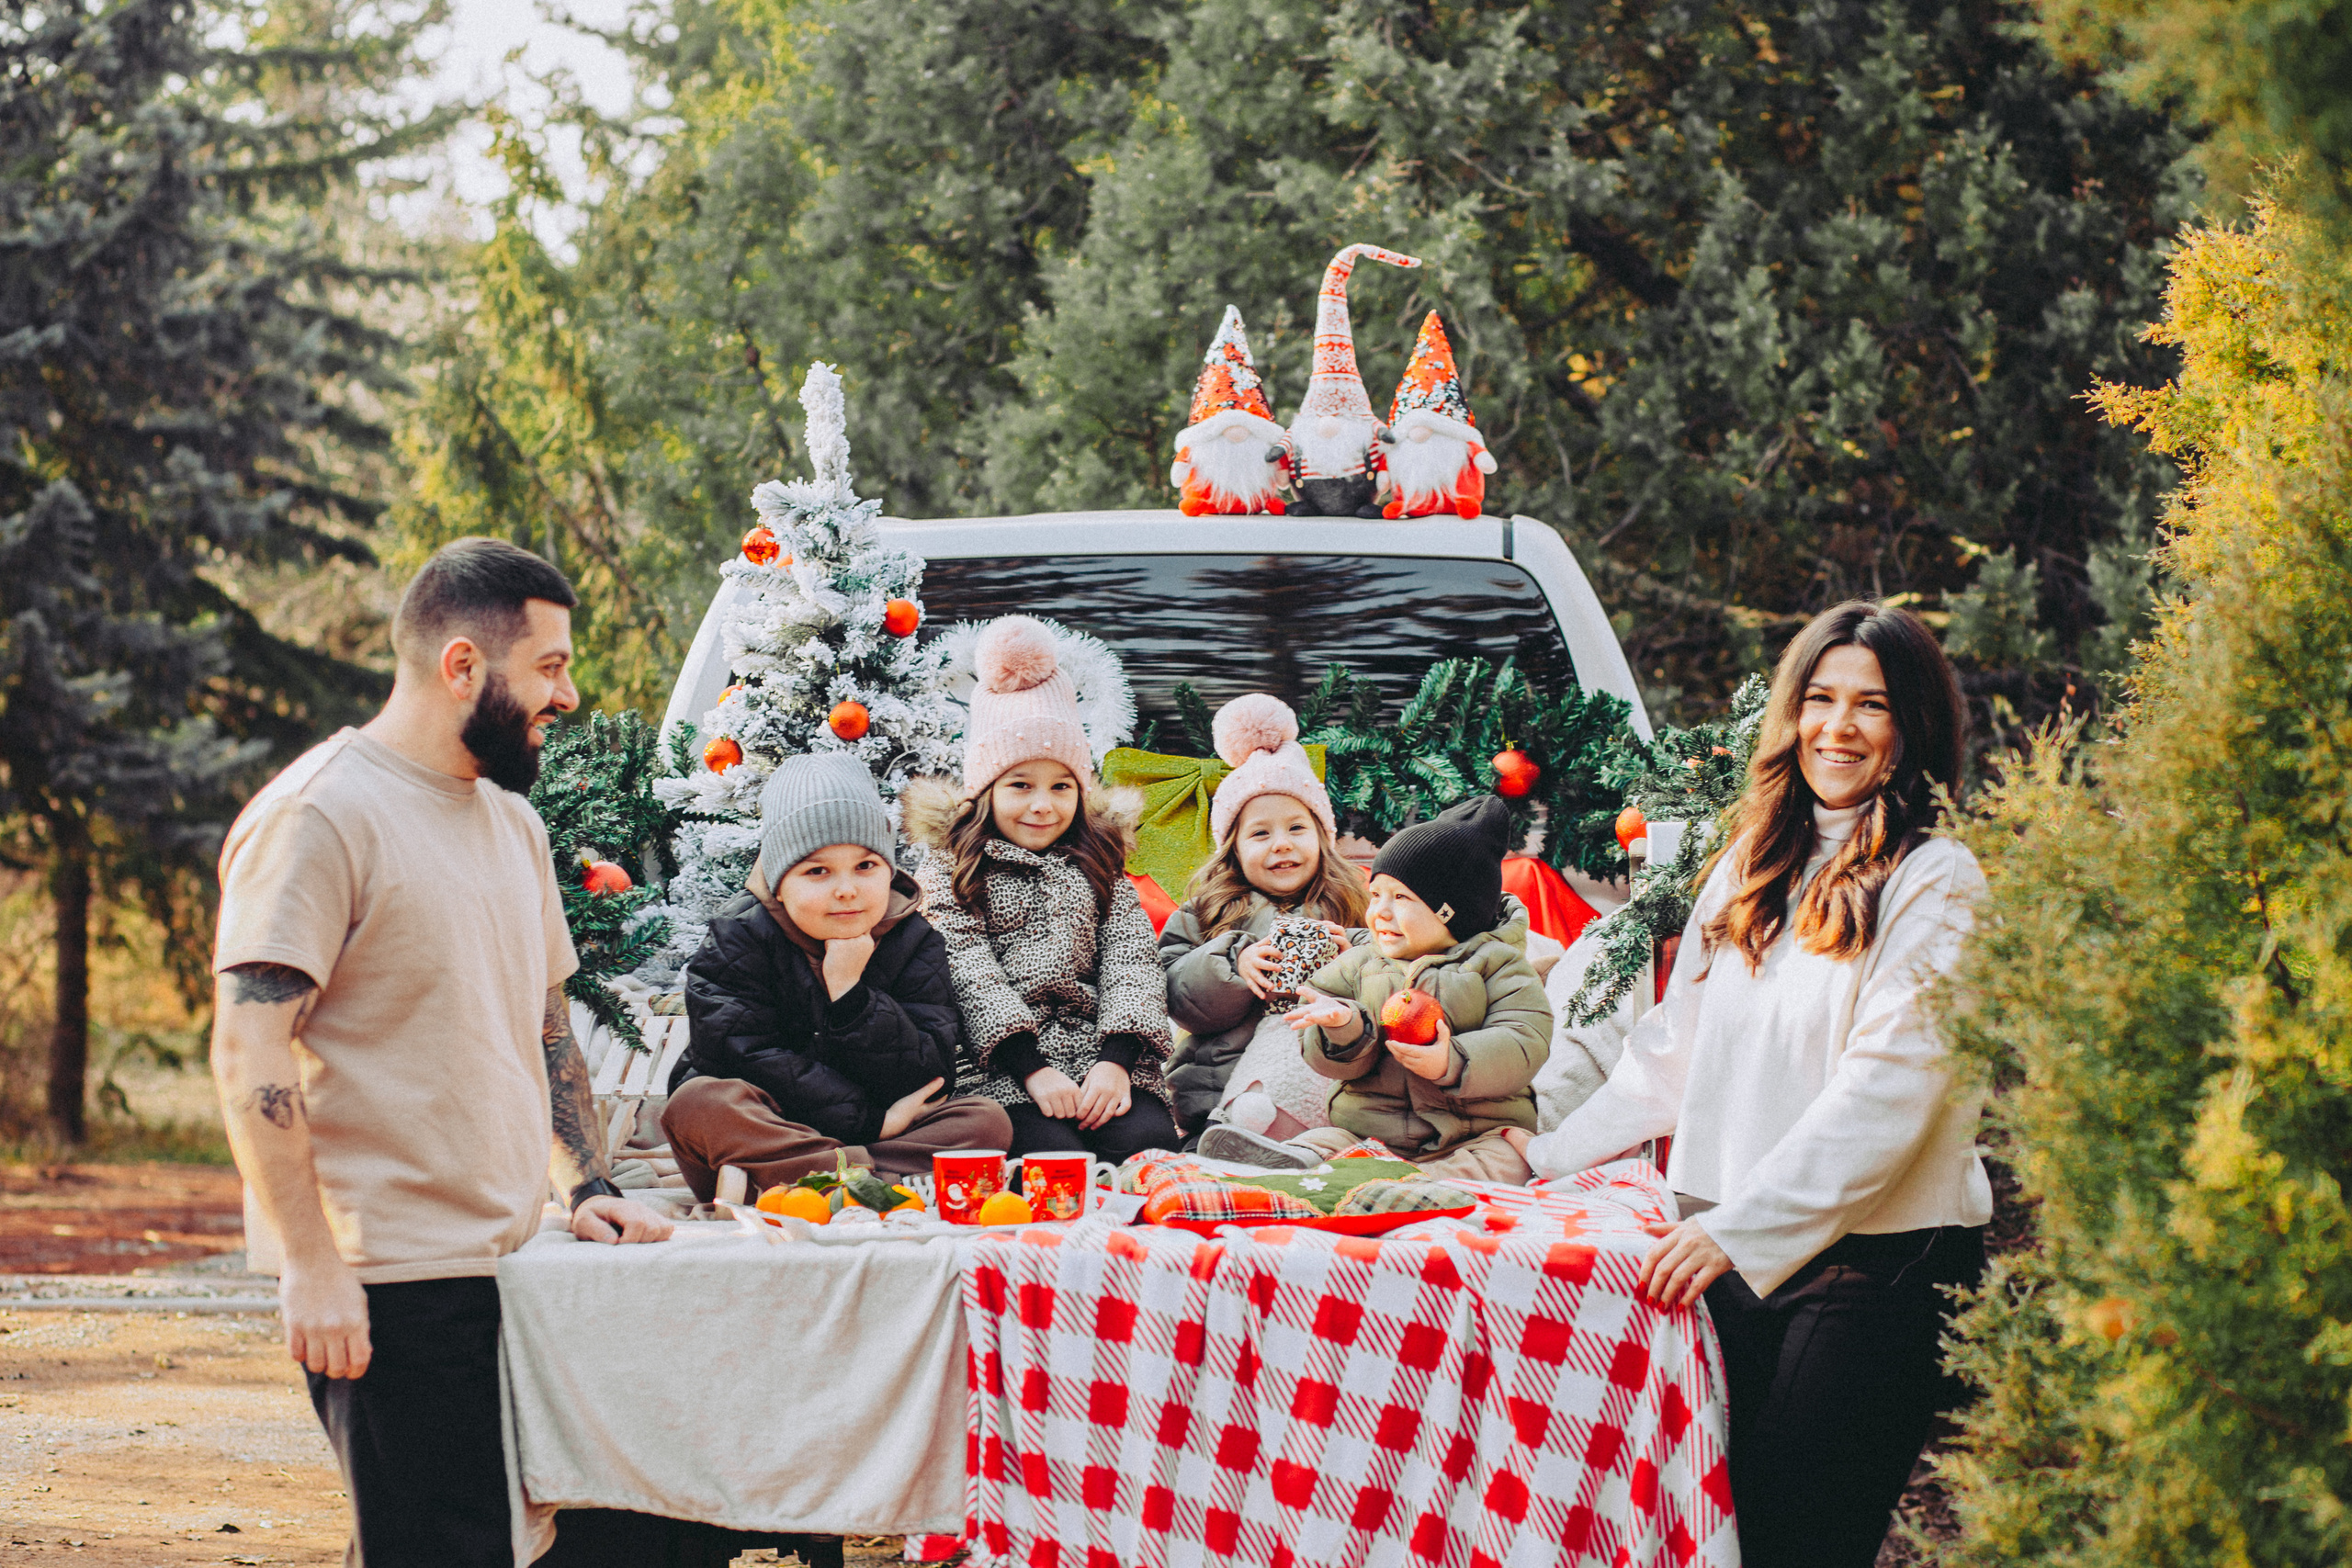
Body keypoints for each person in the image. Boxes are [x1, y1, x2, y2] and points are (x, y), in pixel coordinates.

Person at [209, 537, 673, 1568]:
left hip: (512, 1266)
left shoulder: (511, 822)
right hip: (392, 1280)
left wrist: (585, 1180)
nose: (569, 692)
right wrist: (312, 1266)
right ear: (462, 665)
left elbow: (543, 1015)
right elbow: (249, 1049)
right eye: (548, 666)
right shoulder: (320, 814)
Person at [1510, 601, 1990, 1568]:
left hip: (1871, 1268)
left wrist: (1738, 1231)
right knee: (1710, 1537)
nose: (1838, 727)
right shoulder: (1751, 862)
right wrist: (1539, 1159)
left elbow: (1889, 1093)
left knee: (1793, 1544)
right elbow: (1672, 1051)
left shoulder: (1937, 880)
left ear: (1913, 728)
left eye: (1871, 705)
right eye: (1818, 699)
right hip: (1727, 1250)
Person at [661, 752, 1013, 1197]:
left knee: (984, 1120)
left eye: (865, 866)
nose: (846, 889)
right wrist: (868, 1122)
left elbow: (929, 1071)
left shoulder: (914, 940)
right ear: (778, 882)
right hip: (775, 1130)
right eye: (817, 871)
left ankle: (826, 1184)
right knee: (698, 1104)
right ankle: (867, 1181)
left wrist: (851, 996)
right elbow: (740, 1055)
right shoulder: (738, 937)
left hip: (866, 1133)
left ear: (888, 868)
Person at [902, 615, 1180, 1165]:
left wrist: (1117, 1061)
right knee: (1051, 1160)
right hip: (999, 1062)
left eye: (1061, 787)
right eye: (1020, 786)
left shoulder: (1100, 863)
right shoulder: (954, 868)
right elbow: (966, 969)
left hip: (1099, 1052)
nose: (1042, 805)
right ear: (986, 791)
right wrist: (1030, 1067)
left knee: (1145, 1147)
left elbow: (1132, 962)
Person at [1206, 795, 1550, 1184]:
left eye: (1401, 897)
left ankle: (1429, 1183)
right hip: (1370, 1132)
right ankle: (1296, 1161)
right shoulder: (1358, 963)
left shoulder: (1499, 966)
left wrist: (1450, 1060)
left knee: (1510, 1153)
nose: (1379, 912)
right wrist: (1343, 1028)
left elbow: (1525, 1040)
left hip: (1472, 1131)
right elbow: (1328, 1047)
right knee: (1327, 1139)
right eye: (1376, 895)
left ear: (1450, 911)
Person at [1159, 693, 1368, 1144]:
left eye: (1297, 828)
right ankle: (1239, 1136)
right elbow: (1175, 993)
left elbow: (1395, 979)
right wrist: (1232, 966)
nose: (1281, 844)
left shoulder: (1357, 903)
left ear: (1322, 836)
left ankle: (1316, 1143)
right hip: (1219, 1091)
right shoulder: (1206, 912)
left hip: (1334, 1087)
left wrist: (1357, 964)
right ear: (1232, 847)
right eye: (1260, 833)